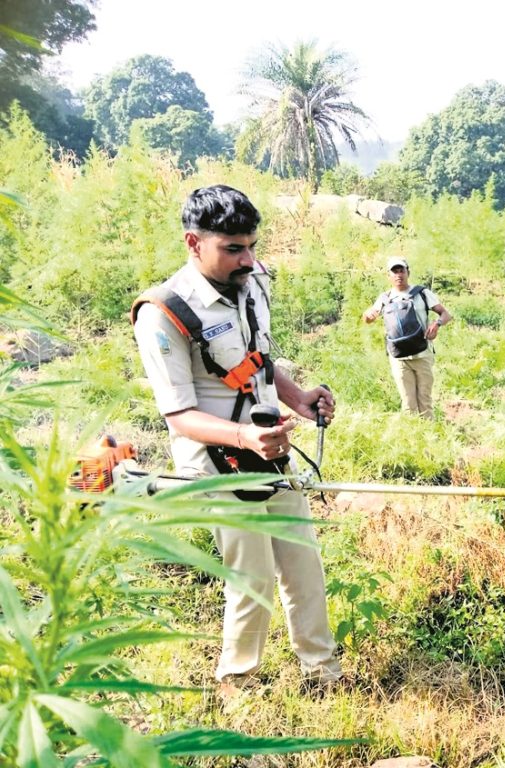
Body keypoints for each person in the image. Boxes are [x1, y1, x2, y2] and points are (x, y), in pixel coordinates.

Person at [131, 185, 341, 696]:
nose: (247, 259)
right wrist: (245, 436)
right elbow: (179, 414)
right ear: (193, 242)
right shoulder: (164, 313)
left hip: (271, 452)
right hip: (216, 464)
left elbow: (258, 362)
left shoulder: (251, 283)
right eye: (233, 249)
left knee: (304, 566)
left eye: (251, 246)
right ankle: (237, 685)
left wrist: (298, 397)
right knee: (253, 578)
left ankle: (322, 673)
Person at [362, 257, 451, 418]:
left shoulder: (422, 293)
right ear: (388, 276)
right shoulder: (384, 298)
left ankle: (428, 431)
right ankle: (412, 432)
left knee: (425, 400)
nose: (398, 275)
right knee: (408, 403)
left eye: (401, 270)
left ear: (408, 272)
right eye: (394, 272)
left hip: (422, 354)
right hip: (399, 358)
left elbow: (445, 314)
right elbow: (368, 318)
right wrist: (368, 316)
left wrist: (436, 324)